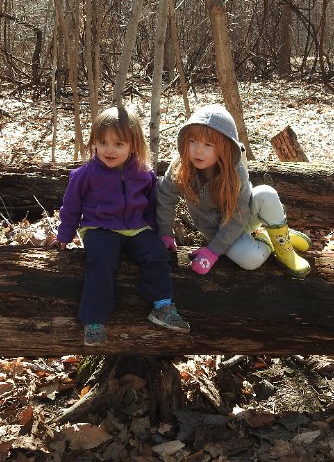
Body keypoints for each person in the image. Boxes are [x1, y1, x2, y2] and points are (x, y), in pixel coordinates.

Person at [53, 105, 190, 346]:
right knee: (101, 260)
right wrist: (64, 235)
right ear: (94, 143)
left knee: (156, 255)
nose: (109, 150)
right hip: (100, 227)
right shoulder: (86, 174)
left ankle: (162, 305)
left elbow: (151, 206)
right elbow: (71, 206)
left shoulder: (143, 173)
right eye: (103, 143)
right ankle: (94, 319)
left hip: (137, 227)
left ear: (133, 145)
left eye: (118, 144)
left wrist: (159, 233)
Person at [157, 104, 312, 277]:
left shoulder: (236, 173)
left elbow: (239, 215)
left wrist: (212, 253)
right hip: (219, 230)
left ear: (225, 147)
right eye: (192, 141)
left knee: (266, 194)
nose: (198, 150)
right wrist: (165, 233)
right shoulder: (181, 166)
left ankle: (284, 248)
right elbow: (165, 196)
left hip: (243, 216)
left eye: (208, 144)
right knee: (250, 260)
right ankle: (267, 237)